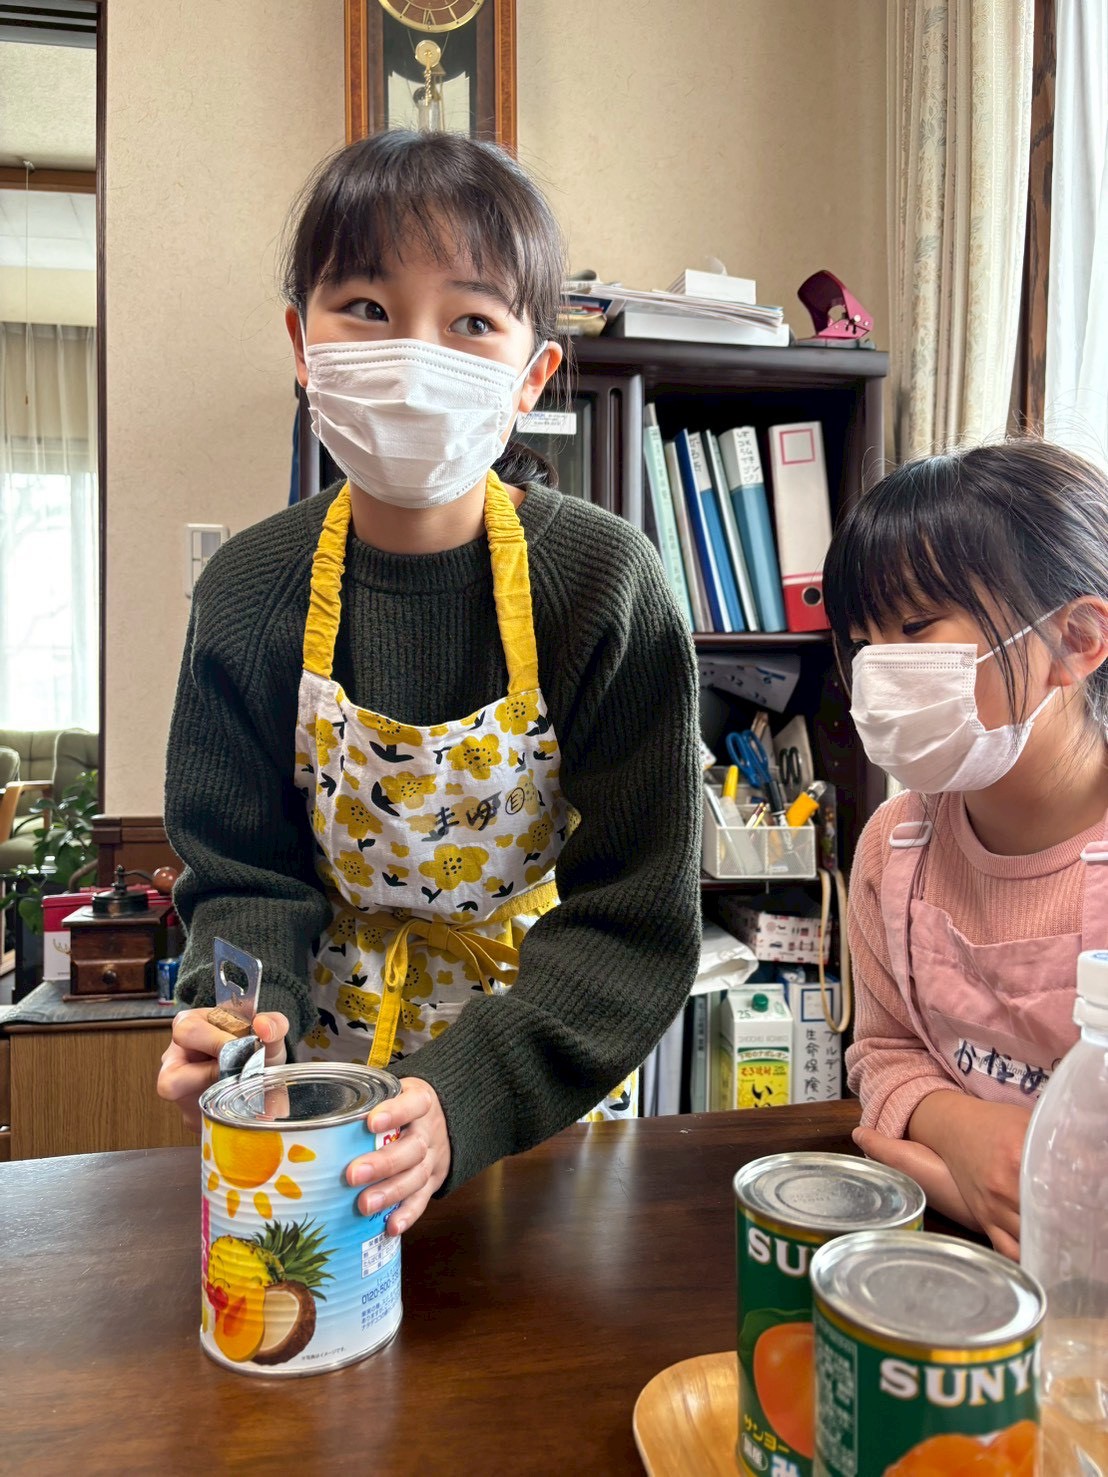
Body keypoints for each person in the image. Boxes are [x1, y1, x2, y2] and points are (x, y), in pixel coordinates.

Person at [156, 131, 701, 1235]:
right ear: (302, 343)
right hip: (319, 1089)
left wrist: (474, 1092)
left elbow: (634, 911)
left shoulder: (605, 585)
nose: (412, 356)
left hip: (542, 1079)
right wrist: (232, 1020)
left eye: (470, 321)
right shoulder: (250, 592)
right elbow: (242, 872)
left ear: (532, 374)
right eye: (365, 306)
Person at [823, 440, 1108, 1260]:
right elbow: (885, 1051)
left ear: (1076, 638)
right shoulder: (895, 846)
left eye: (916, 627)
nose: (881, 671)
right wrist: (964, 1135)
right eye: (865, 640)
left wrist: (1012, 1184)